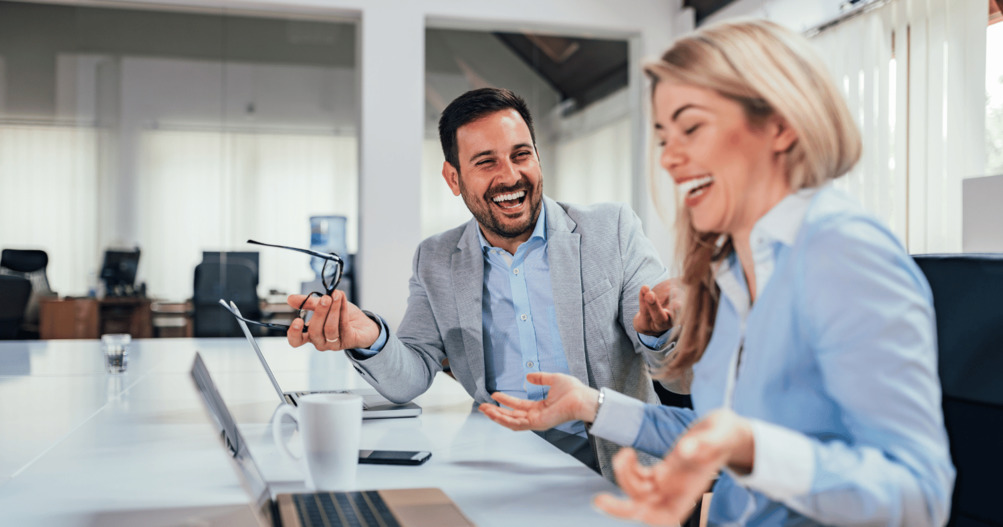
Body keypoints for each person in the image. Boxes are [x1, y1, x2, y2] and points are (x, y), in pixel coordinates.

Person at [480, 20, 955, 526]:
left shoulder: (843, 252)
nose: (670, 158)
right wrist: (590, 404)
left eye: (691, 127)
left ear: (780, 125)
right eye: (664, 137)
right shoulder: (732, 267)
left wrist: (747, 446)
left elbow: (919, 496)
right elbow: (713, 431)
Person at [286, 87, 684, 478]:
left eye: (521, 154)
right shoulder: (436, 259)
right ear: (453, 178)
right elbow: (411, 375)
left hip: (610, 467)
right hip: (498, 460)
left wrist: (658, 335)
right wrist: (371, 338)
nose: (510, 176)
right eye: (486, 162)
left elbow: (673, 371)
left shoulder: (610, 230)